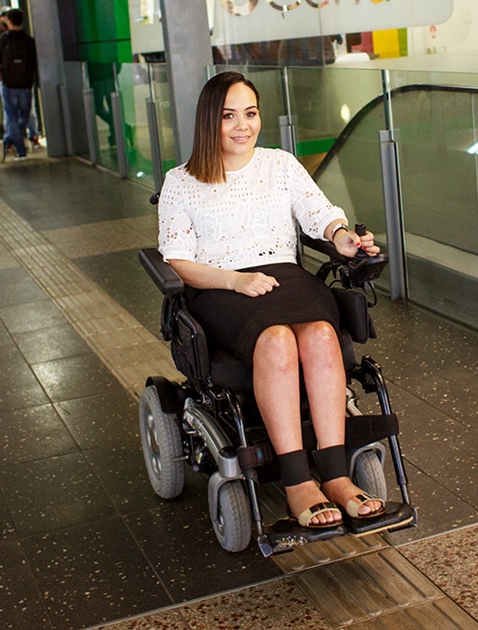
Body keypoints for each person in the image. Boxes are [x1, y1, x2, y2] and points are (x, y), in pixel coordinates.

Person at [156, 72, 391, 531]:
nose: (242, 126)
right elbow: (180, 262)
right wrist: (235, 281)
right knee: (278, 341)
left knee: (323, 335)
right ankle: (297, 480)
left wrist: (342, 238)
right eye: (229, 116)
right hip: (220, 288)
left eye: (250, 113)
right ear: (210, 122)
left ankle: (338, 475)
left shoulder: (279, 164)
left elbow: (320, 214)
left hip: (286, 276)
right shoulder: (180, 182)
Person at [0, 8, 37, 160]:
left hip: (8, 84)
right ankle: (10, 142)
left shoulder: (2, 40)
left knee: (12, 117)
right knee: (24, 116)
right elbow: (33, 61)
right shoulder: (29, 40)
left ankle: (14, 146)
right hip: (25, 84)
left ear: (8, 21)